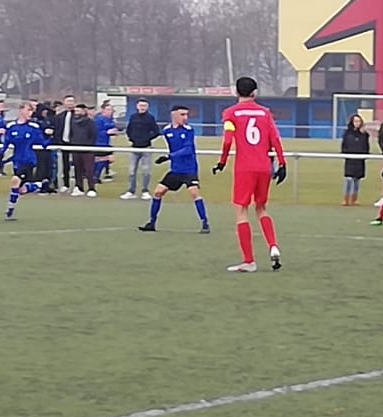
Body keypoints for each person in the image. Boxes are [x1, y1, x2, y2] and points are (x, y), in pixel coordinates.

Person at [213, 76, 287, 273]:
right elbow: (275, 138)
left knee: (241, 211)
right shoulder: (265, 113)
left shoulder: (230, 113)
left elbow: (228, 141)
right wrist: (282, 163)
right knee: (261, 208)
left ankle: (249, 261)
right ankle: (273, 245)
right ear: (255, 93)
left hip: (244, 168)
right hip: (264, 167)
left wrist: (222, 162)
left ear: (236, 92)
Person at [138, 105, 210, 234]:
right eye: (182, 115)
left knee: (194, 193)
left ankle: (205, 223)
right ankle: (151, 223)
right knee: (158, 192)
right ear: (174, 115)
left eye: (186, 115)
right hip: (175, 170)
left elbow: (188, 150)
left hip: (189, 169)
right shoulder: (167, 131)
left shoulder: (188, 130)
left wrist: (168, 157)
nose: (185, 117)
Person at [0, 103, 48, 219]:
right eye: (28, 110)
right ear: (21, 110)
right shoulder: (11, 126)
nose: (30, 113)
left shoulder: (33, 127)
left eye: (31, 110)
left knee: (15, 180)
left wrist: (50, 136)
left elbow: (42, 142)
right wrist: (0, 155)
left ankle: (9, 210)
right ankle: (39, 185)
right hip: (17, 160)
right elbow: (7, 143)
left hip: (28, 160)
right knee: (20, 189)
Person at [123, 97, 160, 199]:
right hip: (134, 148)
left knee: (146, 171)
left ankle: (145, 191)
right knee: (131, 171)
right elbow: (129, 130)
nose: (142, 107)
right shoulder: (133, 117)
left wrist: (146, 138)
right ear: (137, 106)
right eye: (140, 105)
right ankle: (131, 191)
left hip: (146, 148)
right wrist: (132, 138)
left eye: (144, 106)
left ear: (147, 107)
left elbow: (156, 131)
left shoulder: (150, 118)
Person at [68, 103, 98, 195]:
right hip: (76, 149)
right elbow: (71, 134)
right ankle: (79, 187)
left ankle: (91, 188)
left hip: (87, 150)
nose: (76, 112)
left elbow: (93, 135)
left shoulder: (90, 122)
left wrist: (88, 146)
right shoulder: (73, 122)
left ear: (84, 111)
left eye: (78, 111)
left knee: (89, 170)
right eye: (75, 111)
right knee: (77, 170)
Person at [340, 113, 370, 206]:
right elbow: (344, 146)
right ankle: (345, 199)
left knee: (357, 181)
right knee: (348, 179)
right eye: (355, 121)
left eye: (359, 121)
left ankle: (354, 199)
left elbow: (366, 147)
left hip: (359, 161)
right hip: (350, 160)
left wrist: (364, 155)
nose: (357, 123)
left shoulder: (364, 134)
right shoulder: (347, 133)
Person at [92, 100, 118, 185]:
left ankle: (97, 176)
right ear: (103, 110)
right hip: (99, 143)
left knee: (106, 160)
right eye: (108, 109)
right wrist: (106, 132)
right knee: (100, 160)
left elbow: (112, 129)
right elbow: (96, 132)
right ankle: (95, 176)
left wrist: (114, 132)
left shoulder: (111, 120)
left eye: (111, 110)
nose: (110, 111)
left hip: (107, 143)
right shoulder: (99, 119)